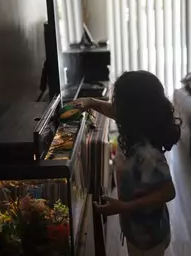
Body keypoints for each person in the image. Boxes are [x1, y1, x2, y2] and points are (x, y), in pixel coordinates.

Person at [73, 71, 181, 256]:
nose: (114, 107)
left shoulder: (146, 155)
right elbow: (111, 110)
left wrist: (123, 207)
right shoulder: (134, 128)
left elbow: (168, 192)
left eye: (118, 102)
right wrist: (90, 102)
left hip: (148, 237)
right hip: (134, 228)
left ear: (130, 111)